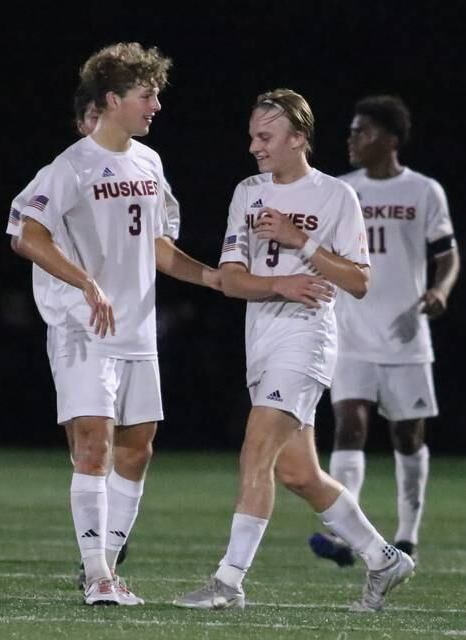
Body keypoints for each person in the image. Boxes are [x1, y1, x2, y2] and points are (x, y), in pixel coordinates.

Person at [173, 89, 414, 613]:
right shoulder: (248, 192)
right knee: (298, 474)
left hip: (307, 341)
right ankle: (383, 558)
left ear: (299, 138)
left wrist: (299, 243)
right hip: (260, 340)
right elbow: (232, 281)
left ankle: (228, 581)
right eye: (253, 136)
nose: (255, 146)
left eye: (266, 137)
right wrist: (280, 284)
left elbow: (358, 280)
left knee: (254, 451)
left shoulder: (335, 197)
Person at [9, 42, 219, 606]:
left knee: (138, 450)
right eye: (146, 96)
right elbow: (26, 236)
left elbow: (160, 248)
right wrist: (85, 282)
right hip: (83, 327)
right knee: (95, 448)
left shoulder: (149, 163)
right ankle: (100, 574)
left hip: (137, 330)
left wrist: (213, 279)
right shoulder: (69, 166)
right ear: (112, 100)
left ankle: (102, 561)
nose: (155, 106)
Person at [309, 95, 460, 568]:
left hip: (404, 335)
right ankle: (345, 537)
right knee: (349, 425)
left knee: (407, 437)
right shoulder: (341, 190)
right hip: (350, 332)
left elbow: (447, 254)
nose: (352, 139)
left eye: (363, 131)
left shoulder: (424, 191)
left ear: (390, 140)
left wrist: (441, 290)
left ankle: (408, 535)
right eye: (352, 131)